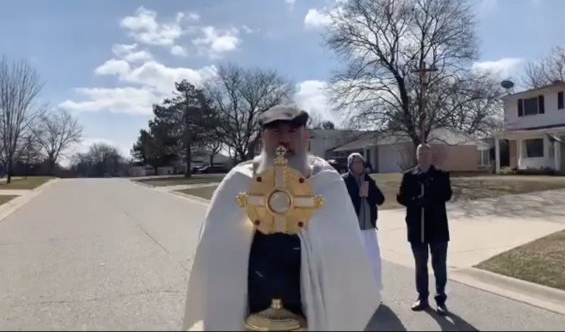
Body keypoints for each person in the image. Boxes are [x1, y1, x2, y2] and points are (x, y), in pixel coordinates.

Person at [183, 104, 380, 331]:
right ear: (262, 137)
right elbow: (214, 247)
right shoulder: (239, 181)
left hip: (310, 296)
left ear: (305, 137)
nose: (284, 141)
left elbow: (345, 251)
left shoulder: (326, 182)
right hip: (253, 295)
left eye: (293, 132)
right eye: (276, 132)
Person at [396, 143, 452, 315]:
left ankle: (440, 297)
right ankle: (422, 297)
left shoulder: (441, 175)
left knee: (439, 264)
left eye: (427, 153)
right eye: (421, 153)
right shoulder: (409, 176)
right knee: (420, 265)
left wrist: (430, 196)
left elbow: (447, 195)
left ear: (432, 155)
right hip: (417, 227)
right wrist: (415, 199)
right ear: (416, 156)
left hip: (437, 227)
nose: (424, 156)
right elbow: (401, 197)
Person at [342, 153, 385, 291]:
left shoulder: (368, 180)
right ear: (350, 165)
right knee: (354, 262)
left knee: (373, 261)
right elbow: (341, 203)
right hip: (353, 230)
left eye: (360, 162)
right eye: (355, 162)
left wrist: (369, 193)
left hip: (369, 227)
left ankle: (374, 290)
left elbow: (380, 199)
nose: (359, 165)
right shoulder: (344, 181)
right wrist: (357, 193)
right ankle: (355, 291)